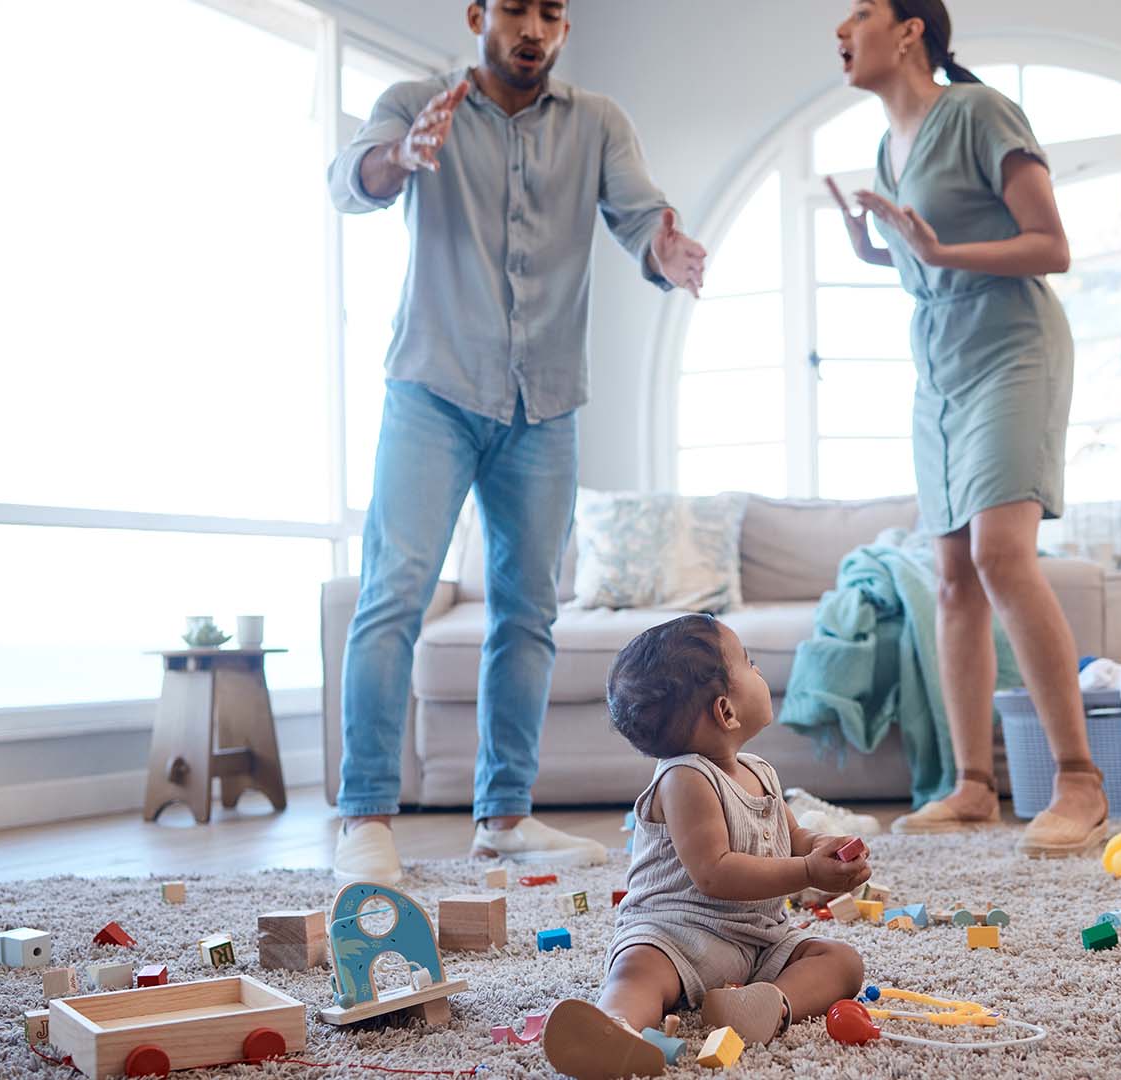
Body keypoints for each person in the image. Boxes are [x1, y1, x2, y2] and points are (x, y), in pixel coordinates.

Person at [326, 0, 707, 882]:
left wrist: (665, 251)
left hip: (546, 405)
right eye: (514, 9)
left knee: (526, 613)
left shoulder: (599, 122)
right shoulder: (418, 101)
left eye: (551, 12)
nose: (531, 27)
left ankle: (504, 818)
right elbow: (353, 178)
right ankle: (366, 819)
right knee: (394, 594)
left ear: (564, 27)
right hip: (432, 389)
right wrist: (399, 156)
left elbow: (639, 216)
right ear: (477, 14)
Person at [830, 0, 1109, 856]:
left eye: (860, 11)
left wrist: (941, 252)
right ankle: (972, 786)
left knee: (999, 553)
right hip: (938, 363)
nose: (841, 28)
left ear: (910, 28)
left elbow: (1050, 245)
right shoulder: (887, 144)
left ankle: (1077, 782)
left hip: (1010, 348)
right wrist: (877, 249)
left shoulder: (978, 112)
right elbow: (927, 254)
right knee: (950, 573)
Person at [541, 615, 868, 1080]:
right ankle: (613, 1026)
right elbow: (715, 873)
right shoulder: (684, 778)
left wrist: (823, 848)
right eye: (750, 664)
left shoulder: (760, 771)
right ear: (726, 711)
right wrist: (808, 873)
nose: (759, 672)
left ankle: (769, 1005)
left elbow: (791, 839)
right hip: (678, 933)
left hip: (758, 939)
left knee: (843, 962)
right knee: (638, 970)